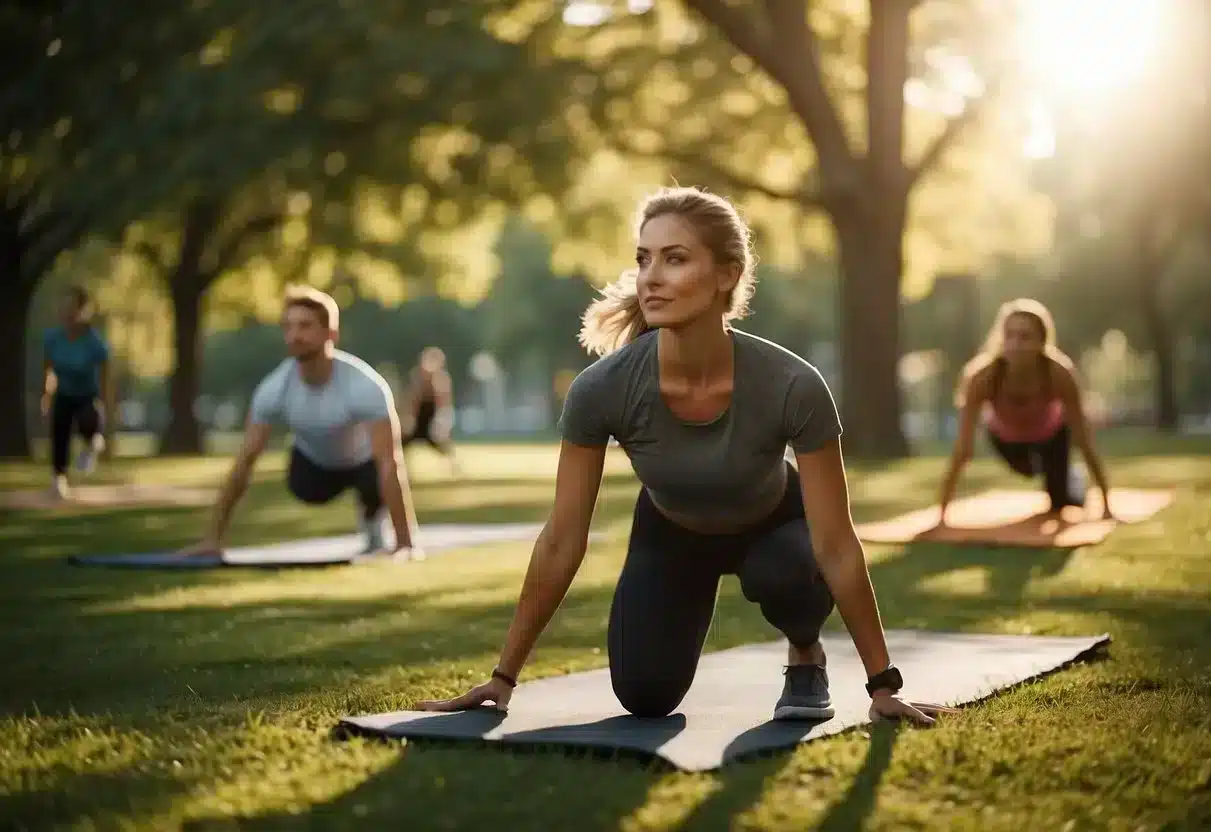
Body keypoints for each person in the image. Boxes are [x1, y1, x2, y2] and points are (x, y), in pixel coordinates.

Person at [417, 187, 957, 726]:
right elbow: (561, 539)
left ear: (727, 274)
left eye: (675, 259)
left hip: (773, 523)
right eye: (643, 258)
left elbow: (836, 544)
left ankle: (805, 652)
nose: (651, 276)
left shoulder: (793, 384)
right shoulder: (602, 389)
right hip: (670, 530)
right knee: (645, 696)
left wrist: (882, 685)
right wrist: (504, 677)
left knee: (785, 569)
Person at [176, 287, 424, 559]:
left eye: (305, 326)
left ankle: (373, 522)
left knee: (378, 474)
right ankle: (366, 511)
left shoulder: (365, 386)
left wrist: (406, 544)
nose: (294, 336)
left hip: (363, 464)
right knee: (305, 488)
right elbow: (244, 462)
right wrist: (213, 539)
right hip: (312, 470)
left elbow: (390, 462)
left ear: (331, 334)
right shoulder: (274, 389)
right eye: (288, 327)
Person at [937, 297, 1114, 524]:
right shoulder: (981, 377)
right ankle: (1057, 473)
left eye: (1025, 337)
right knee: (1029, 470)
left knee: (1060, 503)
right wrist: (941, 515)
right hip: (1007, 440)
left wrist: (1107, 506)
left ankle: (1071, 480)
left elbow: (1084, 440)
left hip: (1052, 437)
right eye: (1009, 336)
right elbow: (963, 449)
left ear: (1042, 342)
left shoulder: (1059, 373)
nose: (1015, 343)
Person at [41, 285, 111, 499]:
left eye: (72, 307)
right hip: (64, 393)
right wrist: (46, 395)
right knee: (59, 429)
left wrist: (106, 400)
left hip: (86, 395)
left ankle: (93, 443)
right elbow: (48, 370)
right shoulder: (53, 338)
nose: (68, 312)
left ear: (82, 310)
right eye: (65, 307)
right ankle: (58, 479)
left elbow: (105, 370)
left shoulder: (92, 340)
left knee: (87, 419)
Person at [400, 346, 459, 474]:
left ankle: (454, 468)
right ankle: (403, 471)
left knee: (443, 446)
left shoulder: (441, 380)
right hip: (419, 421)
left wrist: (441, 425)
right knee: (402, 445)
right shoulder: (417, 379)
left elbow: (443, 404)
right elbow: (412, 402)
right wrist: (408, 420)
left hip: (431, 422)